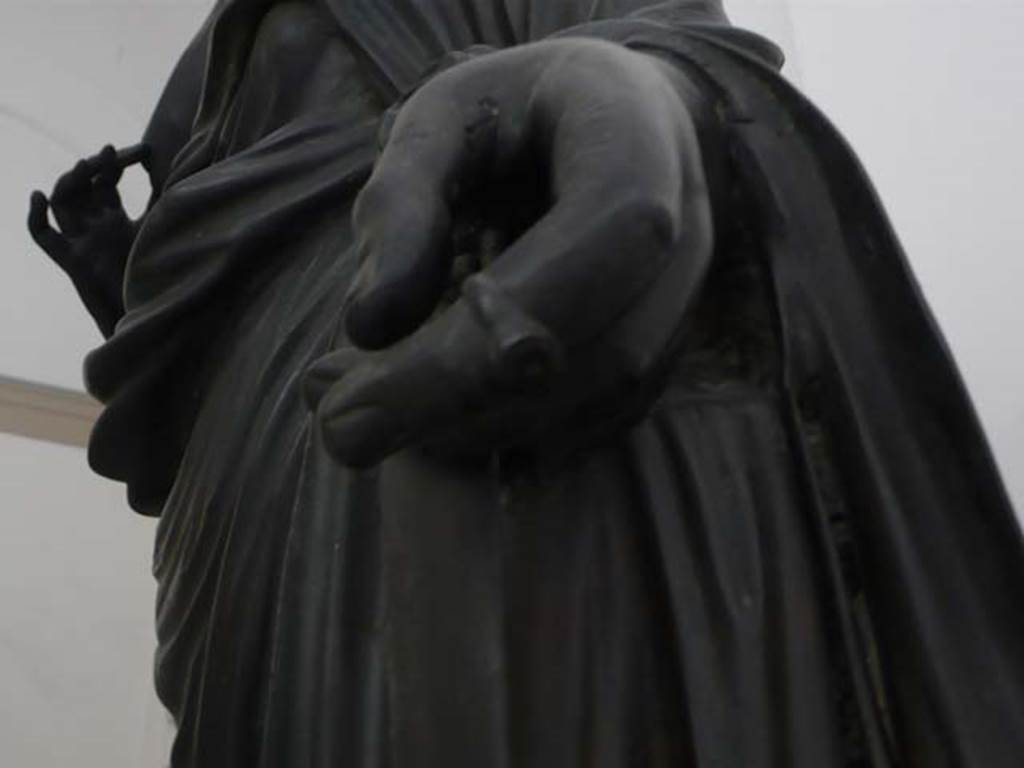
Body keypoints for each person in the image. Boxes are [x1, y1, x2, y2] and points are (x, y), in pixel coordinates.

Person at [27, 1, 1024, 765]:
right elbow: (204, 278)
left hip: (450, 332)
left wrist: (643, 93)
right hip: (239, 479)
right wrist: (132, 292)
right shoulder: (216, 48)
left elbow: (664, 37)